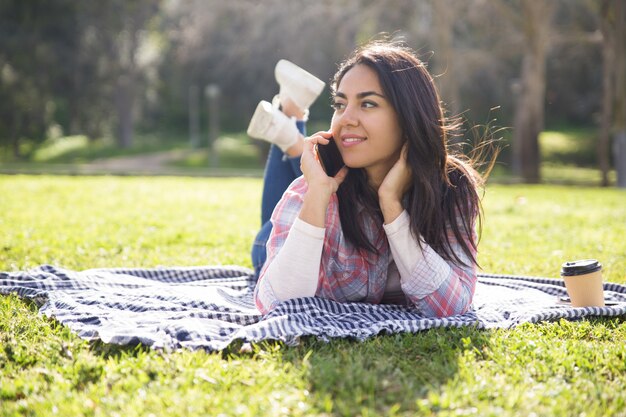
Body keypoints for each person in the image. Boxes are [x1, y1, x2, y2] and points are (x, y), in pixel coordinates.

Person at [249, 40, 489, 318]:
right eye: (340, 104)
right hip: (282, 236)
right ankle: (290, 127)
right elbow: (276, 304)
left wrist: (392, 206)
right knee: (263, 244)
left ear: (409, 115)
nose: (346, 119)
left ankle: (290, 127)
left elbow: (452, 307)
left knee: (297, 167)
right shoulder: (309, 190)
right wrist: (316, 195)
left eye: (368, 103)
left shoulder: (451, 189)